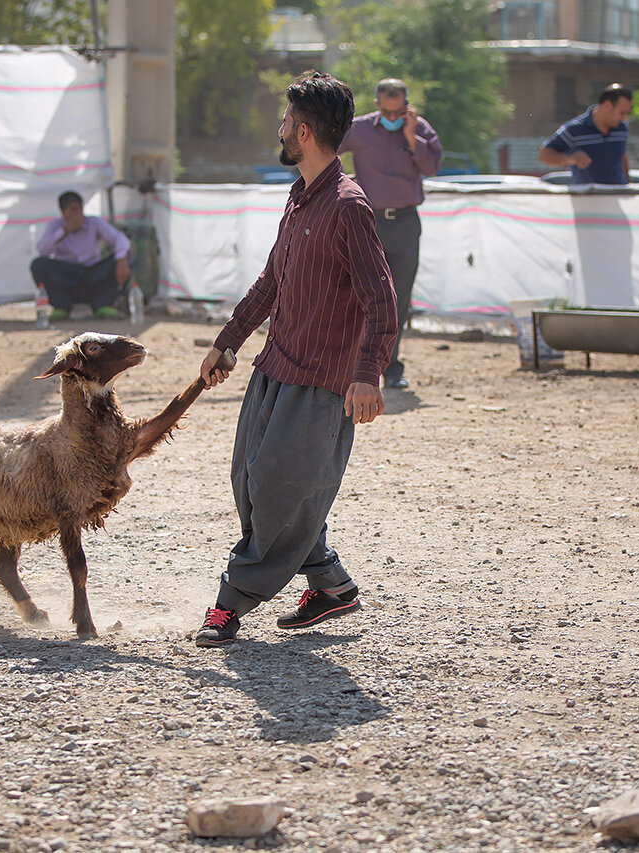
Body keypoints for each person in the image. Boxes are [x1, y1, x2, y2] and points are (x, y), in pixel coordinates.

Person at [193, 70, 397, 648]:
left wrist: (367, 375)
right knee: (252, 485)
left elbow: (380, 299)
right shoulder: (300, 196)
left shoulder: (349, 207)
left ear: (304, 133)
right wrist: (227, 339)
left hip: (323, 384)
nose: (278, 129)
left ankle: (230, 603)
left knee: (280, 489)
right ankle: (331, 585)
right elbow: (272, 280)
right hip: (275, 367)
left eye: (285, 122)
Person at [337, 78, 443, 390]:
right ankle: (353, 366)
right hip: (367, 222)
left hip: (406, 224)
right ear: (378, 104)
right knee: (360, 294)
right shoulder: (360, 128)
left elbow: (433, 166)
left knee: (399, 298)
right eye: (387, 112)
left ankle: (391, 367)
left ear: (407, 106)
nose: (393, 119)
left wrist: (411, 137)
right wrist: (343, 183)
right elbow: (325, 152)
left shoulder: (419, 128)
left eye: (399, 114)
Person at [30, 190, 132, 320]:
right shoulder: (55, 226)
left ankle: (103, 304)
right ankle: (61, 306)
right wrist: (65, 231)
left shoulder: (93, 223)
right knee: (39, 265)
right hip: (66, 275)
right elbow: (43, 250)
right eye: (72, 209)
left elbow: (119, 238)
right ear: (63, 211)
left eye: (79, 209)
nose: (77, 213)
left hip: (91, 274)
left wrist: (122, 260)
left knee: (126, 257)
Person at [538, 83, 633, 185]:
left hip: (617, 194)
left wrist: (628, 184)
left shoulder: (622, 128)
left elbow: (622, 156)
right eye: (621, 113)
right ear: (607, 105)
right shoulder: (575, 129)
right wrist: (570, 159)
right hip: (587, 197)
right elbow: (544, 155)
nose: (624, 118)